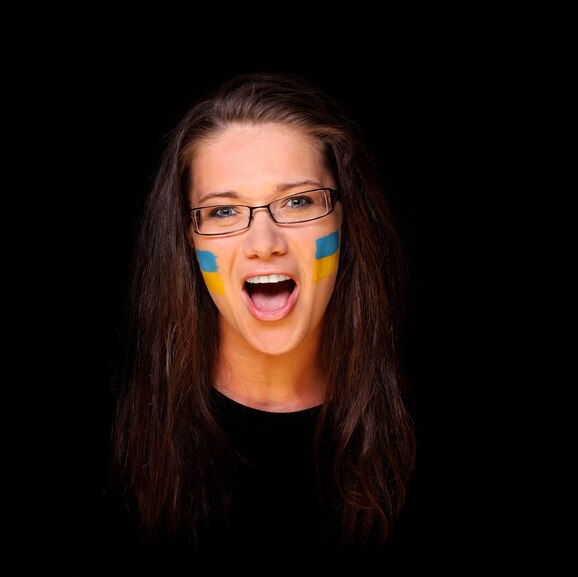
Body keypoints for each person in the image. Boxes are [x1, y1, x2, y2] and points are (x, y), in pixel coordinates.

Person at [105, 71, 417, 575]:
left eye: (298, 201)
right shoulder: (122, 447)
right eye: (224, 211)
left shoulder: (412, 433)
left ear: (346, 217)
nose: (262, 241)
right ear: (188, 238)